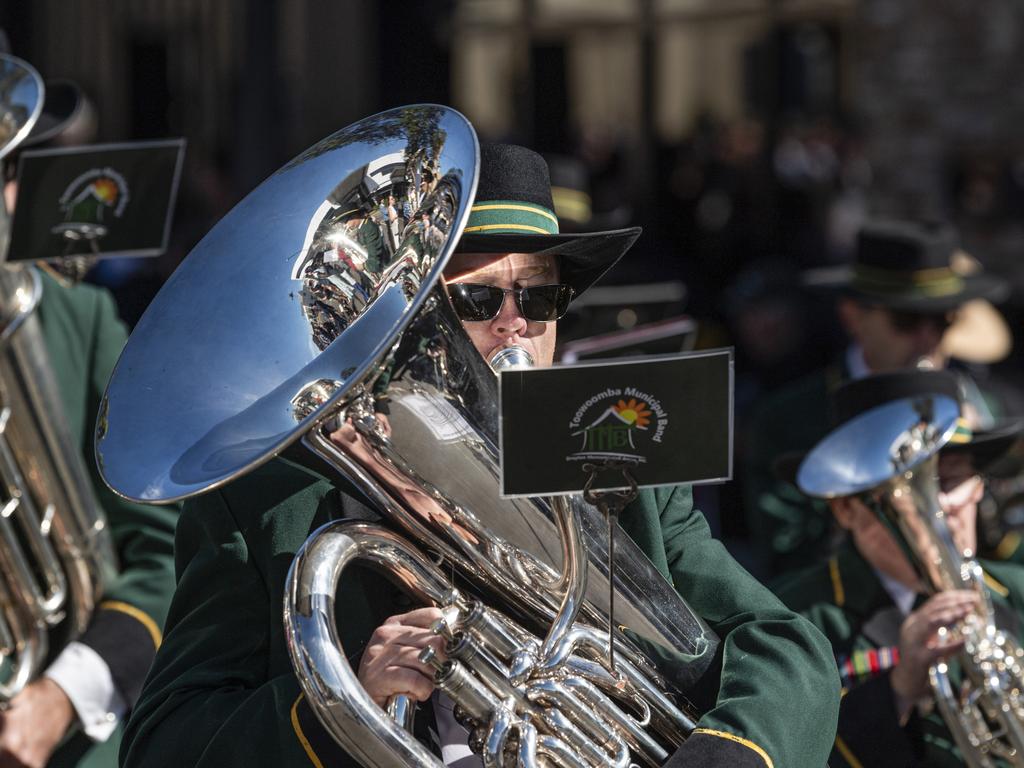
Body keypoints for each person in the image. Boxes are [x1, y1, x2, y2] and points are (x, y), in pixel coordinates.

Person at [120, 142, 840, 768]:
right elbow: (165, 744)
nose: (517, 324)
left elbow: (783, 646)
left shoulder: (630, 479)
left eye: (540, 297)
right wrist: (337, 699)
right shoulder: (265, 501)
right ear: (406, 317)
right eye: (478, 301)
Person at [0, 51, 177, 768]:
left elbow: (164, 554)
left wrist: (62, 696)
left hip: (60, 739)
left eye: (10, 170)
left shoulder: (79, 318)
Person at [772, 369, 1024, 767]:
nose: (940, 510)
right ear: (846, 509)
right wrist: (898, 690)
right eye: (921, 489)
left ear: (979, 488)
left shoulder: (1018, 590)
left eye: (951, 481)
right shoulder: (795, 620)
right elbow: (789, 752)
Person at [743, 219, 1013, 577]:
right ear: (852, 316)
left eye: (943, 320)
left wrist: (985, 479)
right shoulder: (786, 420)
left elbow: (1007, 553)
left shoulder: (985, 406)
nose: (929, 339)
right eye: (907, 320)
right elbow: (787, 561)